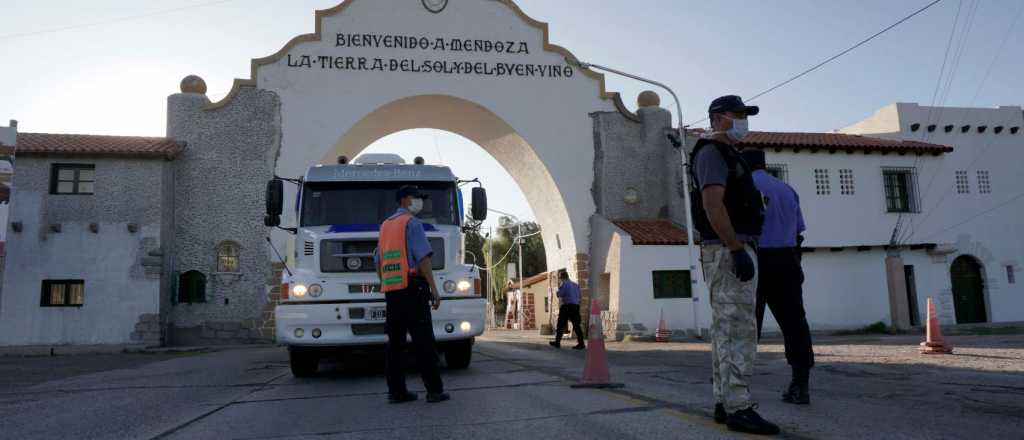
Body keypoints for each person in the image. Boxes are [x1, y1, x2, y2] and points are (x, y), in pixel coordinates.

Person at [690, 95, 778, 435]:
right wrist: (736, 248)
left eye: (744, 115)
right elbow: (712, 204)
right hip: (728, 249)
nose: (742, 121)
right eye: (735, 115)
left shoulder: (728, 154)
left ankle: (724, 402)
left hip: (729, 247)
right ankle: (739, 407)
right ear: (715, 119)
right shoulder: (713, 153)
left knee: (725, 330)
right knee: (739, 330)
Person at [740, 149, 814, 405]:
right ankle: (800, 384)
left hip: (755, 258)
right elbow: (798, 230)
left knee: (749, 326)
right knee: (795, 324)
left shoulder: (743, 187)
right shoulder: (787, 190)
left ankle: (740, 387)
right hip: (788, 260)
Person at [375, 185, 449, 404]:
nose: (421, 202)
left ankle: (396, 392)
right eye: (418, 198)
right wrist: (434, 289)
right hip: (413, 290)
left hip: (393, 292)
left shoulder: (385, 226)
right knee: (424, 342)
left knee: (395, 345)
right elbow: (423, 257)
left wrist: (386, 284)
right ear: (406, 200)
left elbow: (378, 261)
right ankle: (434, 391)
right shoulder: (412, 223)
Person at [549, 270, 585, 349]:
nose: (559, 279)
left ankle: (557, 342)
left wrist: (557, 290)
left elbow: (559, 294)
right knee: (576, 325)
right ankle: (581, 343)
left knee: (560, 324)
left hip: (567, 306)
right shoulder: (575, 285)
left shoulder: (564, 284)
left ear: (562, 277)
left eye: (559, 278)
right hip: (575, 306)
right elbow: (579, 296)